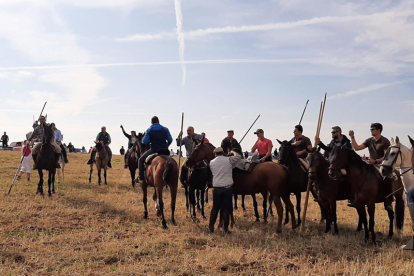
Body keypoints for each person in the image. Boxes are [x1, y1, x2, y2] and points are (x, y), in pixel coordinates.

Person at [349, 122, 392, 207]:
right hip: (369, 163)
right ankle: (354, 197)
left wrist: (375, 161)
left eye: (373, 129)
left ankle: (388, 200)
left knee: (386, 177)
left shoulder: (385, 141)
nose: (371, 130)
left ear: (378, 130)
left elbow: (386, 156)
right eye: (371, 129)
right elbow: (357, 148)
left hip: (381, 164)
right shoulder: (369, 140)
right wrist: (352, 137)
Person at [209, 147, 238, 234]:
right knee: (226, 209)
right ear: (223, 153)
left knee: (215, 208)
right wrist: (232, 152)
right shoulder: (229, 159)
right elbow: (238, 157)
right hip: (227, 188)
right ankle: (225, 229)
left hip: (217, 187)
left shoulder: (211, 162)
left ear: (215, 154)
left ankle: (211, 227)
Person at [135, 116, 173, 184]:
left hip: (154, 150)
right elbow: (170, 139)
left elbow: (145, 142)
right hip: (165, 150)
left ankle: (141, 178)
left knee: (140, 160)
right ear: (158, 121)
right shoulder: (165, 129)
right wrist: (166, 145)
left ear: (152, 122)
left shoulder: (149, 130)